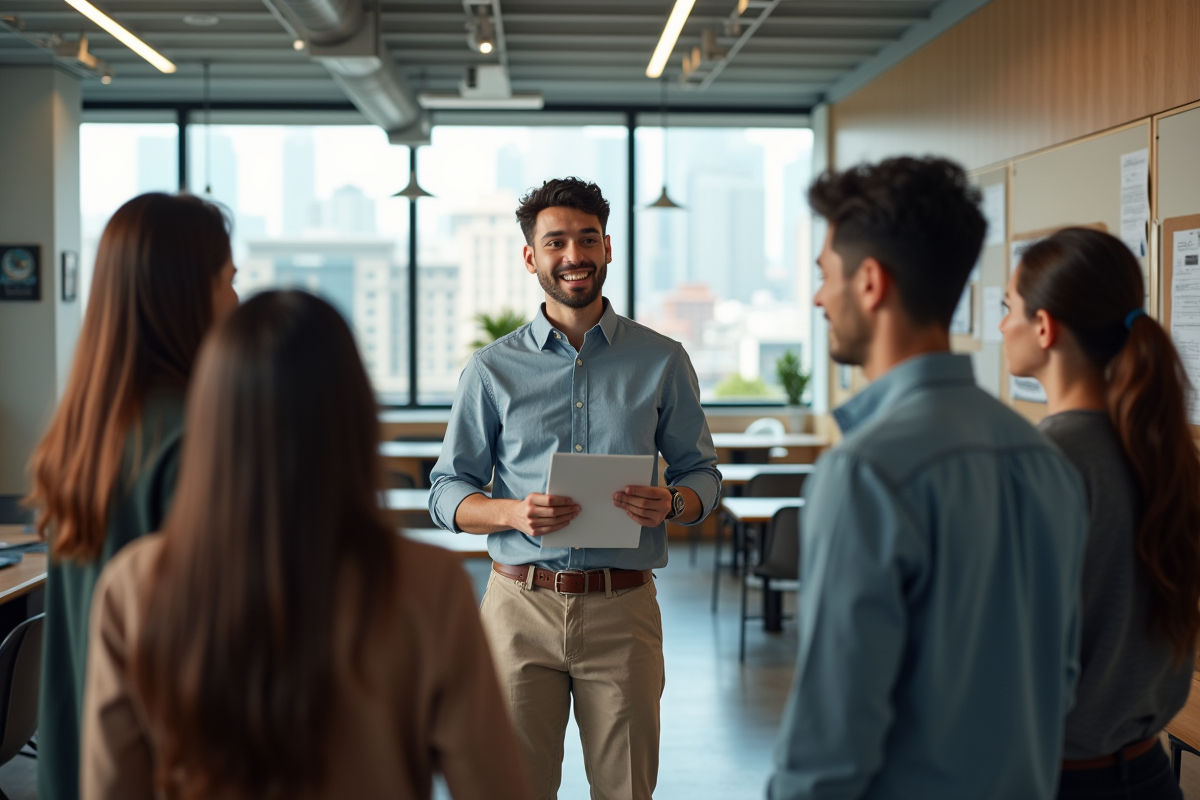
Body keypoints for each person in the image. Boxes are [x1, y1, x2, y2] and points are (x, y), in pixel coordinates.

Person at [80, 290, 532, 800]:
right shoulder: (426, 585)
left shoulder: (133, 585)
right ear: (354, 413)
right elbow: (492, 786)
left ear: (209, 415)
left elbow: (111, 787)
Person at [768, 157, 1088, 800]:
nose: (816, 298)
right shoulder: (1045, 459)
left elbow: (831, 738)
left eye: (824, 276)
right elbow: (1061, 679)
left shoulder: (864, 472)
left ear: (870, 283)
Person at [428, 177, 721, 800]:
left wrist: (673, 501)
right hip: (518, 609)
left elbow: (703, 476)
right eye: (556, 241)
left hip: (624, 609)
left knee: (626, 791)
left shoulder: (662, 360)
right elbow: (446, 490)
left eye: (587, 239)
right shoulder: (491, 369)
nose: (574, 256)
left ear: (608, 248)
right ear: (531, 257)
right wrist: (511, 512)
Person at [26, 192, 237, 800]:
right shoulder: (195, 436)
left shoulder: (84, 434)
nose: (237, 300)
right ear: (185, 293)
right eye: (229, 279)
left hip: (80, 765)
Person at [1000, 227, 1200, 800]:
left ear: (1044, 327)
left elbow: (1009, 658)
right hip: (1150, 776)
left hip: (1057, 781)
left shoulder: (1043, 460)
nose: (1001, 324)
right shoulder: (1163, 449)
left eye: (1008, 306)